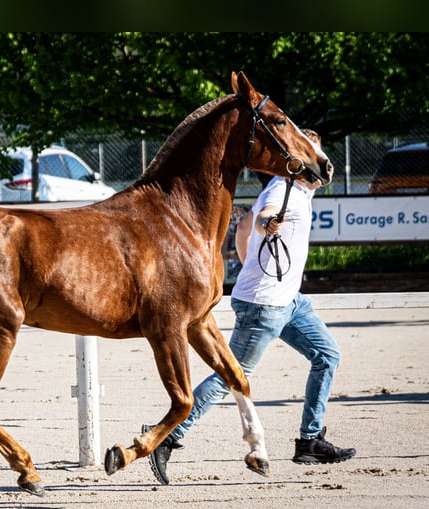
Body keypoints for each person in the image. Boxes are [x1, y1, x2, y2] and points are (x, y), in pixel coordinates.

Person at [142, 129, 355, 486]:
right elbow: (259, 219)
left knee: (327, 356)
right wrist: (267, 227)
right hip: (264, 306)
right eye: (314, 156)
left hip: (288, 301)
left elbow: (243, 227)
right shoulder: (282, 189)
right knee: (232, 378)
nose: (322, 164)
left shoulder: (302, 192)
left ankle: (309, 440)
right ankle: (169, 435)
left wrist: (249, 263)